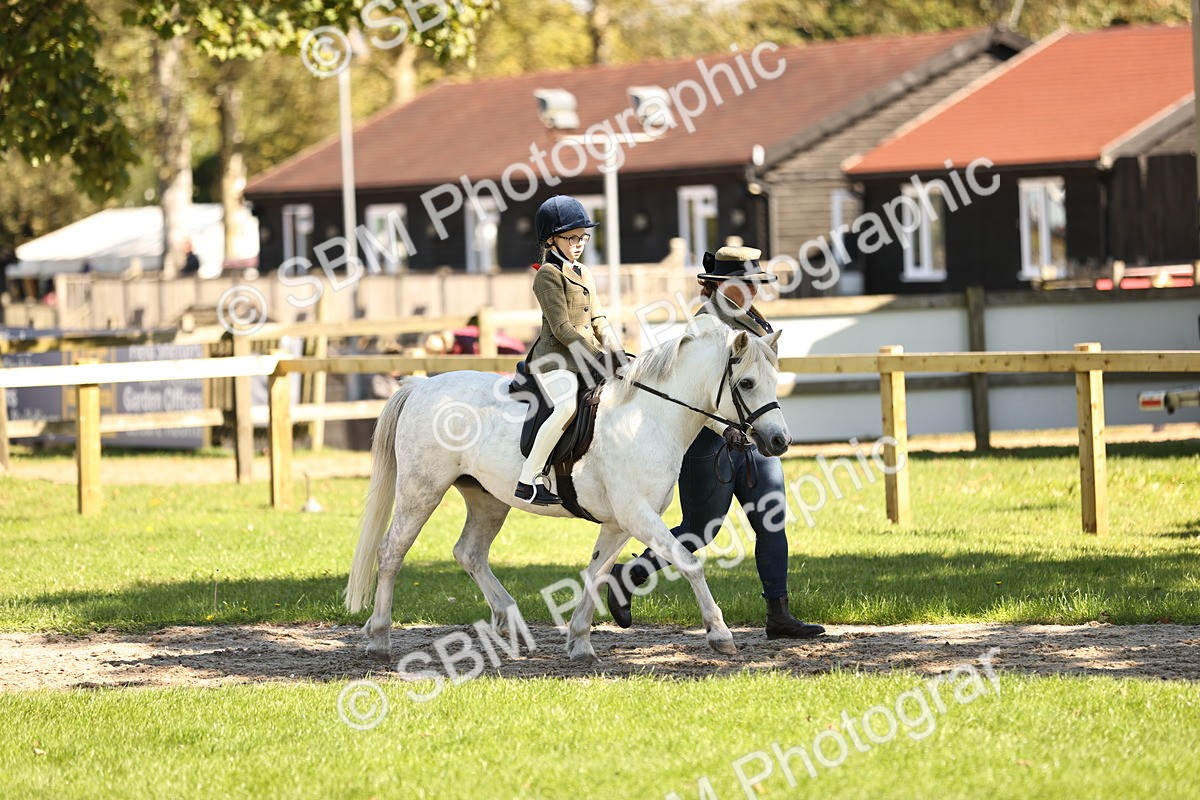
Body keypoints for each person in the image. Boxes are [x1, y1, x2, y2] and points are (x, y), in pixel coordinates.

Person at [606, 246, 825, 639]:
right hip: (711, 444)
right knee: (700, 529)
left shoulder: (754, 322)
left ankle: (779, 615)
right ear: (721, 286)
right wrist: (727, 430)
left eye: (757, 284)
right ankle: (628, 575)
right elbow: (694, 396)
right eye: (747, 284)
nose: (755, 292)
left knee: (771, 521)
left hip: (752, 439)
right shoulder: (704, 329)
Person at [517, 195, 623, 505]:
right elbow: (563, 328)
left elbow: (599, 318)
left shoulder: (585, 272)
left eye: (583, 237)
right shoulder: (546, 275)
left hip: (586, 358)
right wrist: (598, 355)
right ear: (551, 239)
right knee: (566, 408)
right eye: (571, 237)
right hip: (555, 362)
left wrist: (616, 350)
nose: (579, 243)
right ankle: (528, 479)